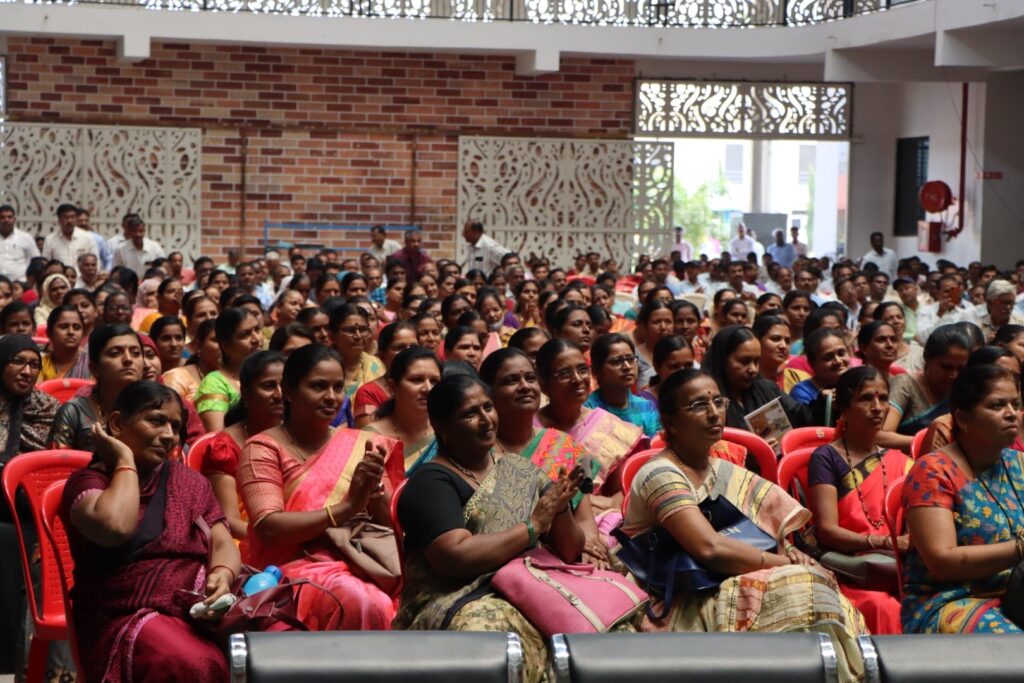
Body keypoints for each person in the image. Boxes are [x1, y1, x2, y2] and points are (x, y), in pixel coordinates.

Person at [619, 368, 866, 681]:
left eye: (718, 402)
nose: (714, 413)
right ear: (670, 422)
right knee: (800, 588)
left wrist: (793, 554)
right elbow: (709, 549)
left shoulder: (724, 469)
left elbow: (765, 533)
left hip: (731, 574)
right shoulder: (659, 473)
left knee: (819, 586)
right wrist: (786, 564)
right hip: (680, 592)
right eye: (698, 405)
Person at [393, 374, 591, 680]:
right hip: (456, 596)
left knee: (603, 616)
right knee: (490, 633)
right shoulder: (430, 482)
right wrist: (533, 525)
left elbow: (570, 551)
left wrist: (559, 506)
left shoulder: (519, 469)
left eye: (488, 407)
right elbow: (454, 557)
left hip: (531, 585)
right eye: (470, 414)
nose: (486, 419)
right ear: (441, 426)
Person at [60, 381, 240, 682]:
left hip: (197, 609)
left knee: (270, 643)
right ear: (117, 424)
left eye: (176, 426)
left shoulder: (189, 482)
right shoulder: (88, 484)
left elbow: (222, 542)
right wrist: (125, 461)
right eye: (156, 420)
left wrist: (222, 575)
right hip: (122, 618)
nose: (169, 435)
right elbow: (116, 526)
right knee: (190, 661)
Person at [237, 344, 401, 630]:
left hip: (364, 560)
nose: (331, 397)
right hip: (287, 571)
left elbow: (390, 526)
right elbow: (268, 527)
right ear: (289, 391)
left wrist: (373, 492)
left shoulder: (360, 443)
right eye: (318, 386)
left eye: (338, 387)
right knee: (362, 600)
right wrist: (347, 508)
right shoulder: (262, 448)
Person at [902, 364, 1024, 633]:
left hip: (1016, 591)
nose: (1011, 413)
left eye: (1015, 404)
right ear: (963, 418)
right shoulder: (933, 471)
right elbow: (943, 562)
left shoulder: (1019, 463)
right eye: (997, 405)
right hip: (951, 601)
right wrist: (1020, 548)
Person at [807, 367, 912, 635]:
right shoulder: (825, 458)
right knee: (883, 607)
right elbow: (827, 532)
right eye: (866, 399)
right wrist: (885, 542)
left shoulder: (900, 461)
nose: (877, 407)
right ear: (844, 408)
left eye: (883, 398)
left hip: (898, 567)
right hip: (849, 569)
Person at [0, 335, 61, 673]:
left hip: (31, 512)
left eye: (34, 365)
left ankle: (13, 659)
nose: (27, 371)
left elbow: (53, 469)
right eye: (17, 362)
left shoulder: (48, 409)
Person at [535, 339, 646, 495]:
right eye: (564, 374)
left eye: (582, 369)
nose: (578, 379)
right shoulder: (531, 430)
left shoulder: (608, 426)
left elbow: (623, 491)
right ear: (543, 384)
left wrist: (606, 503)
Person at [202, 351, 284, 542]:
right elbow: (229, 521)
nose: (279, 394)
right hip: (249, 540)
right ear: (246, 392)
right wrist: (281, 539)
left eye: (285, 386)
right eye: (268, 386)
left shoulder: (298, 435)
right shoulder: (224, 447)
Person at [704, 325, 822, 443]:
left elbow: (804, 418)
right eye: (744, 361)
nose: (753, 369)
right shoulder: (707, 400)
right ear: (722, 359)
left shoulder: (767, 389)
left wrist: (824, 401)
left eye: (756, 362)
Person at [49, 325, 144, 451]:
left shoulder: (156, 410)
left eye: (136, 353)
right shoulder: (74, 412)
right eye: (115, 353)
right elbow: (58, 462)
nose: (128, 359)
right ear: (94, 369)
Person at [881, 324, 971, 450]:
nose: (954, 375)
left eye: (960, 369)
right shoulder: (906, 384)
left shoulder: (962, 391)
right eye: (946, 367)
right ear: (926, 358)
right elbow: (881, 436)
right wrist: (930, 441)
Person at [364, 347, 442, 474]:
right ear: (392, 387)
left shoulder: (446, 433)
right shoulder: (372, 437)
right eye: (417, 380)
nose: (428, 388)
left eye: (434, 381)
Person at [196, 308, 263, 432]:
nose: (256, 339)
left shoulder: (269, 375)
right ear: (225, 346)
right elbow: (217, 436)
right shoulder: (214, 383)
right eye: (245, 335)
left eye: (257, 330)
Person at [585, 333, 660, 438]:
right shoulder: (588, 411)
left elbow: (654, 445)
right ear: (597, 371)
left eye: (630, 359)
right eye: (616, 361)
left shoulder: (646, 407)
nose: (627, 367)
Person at [328, 303, 385, 402]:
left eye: (363, 330)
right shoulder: (323, 366)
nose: (358, 336)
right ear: (332, 336)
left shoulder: (377, 365)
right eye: (350, 330)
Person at [790, 328, 850, 406]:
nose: (838, 361)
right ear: (812, 363)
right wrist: (822, 403)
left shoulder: (859, 382)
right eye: (828, 357)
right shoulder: (802, 392)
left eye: (841, 353)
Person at [164, 319, 219, 403]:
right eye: (216, 340)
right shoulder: (177, 377)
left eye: (228, 340)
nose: (223, 346)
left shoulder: (236, 376)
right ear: (198, 345)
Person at [39, 304, 90, 381]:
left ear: (83, 333)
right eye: (63, 327)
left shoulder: (91, 365)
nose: (71, 332)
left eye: (77, 327)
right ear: (49, 333)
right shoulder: (39, 365)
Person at [634, 300, 675, 388]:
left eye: (668, 322)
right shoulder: (634, 357)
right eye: (657, 322)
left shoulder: (681, 352)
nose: (663, 327)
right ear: (645, 325)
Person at [874, 302, 923, 373]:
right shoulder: (875, 356)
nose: (896, 321)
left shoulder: (919, 353)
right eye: (889, 318)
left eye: (899, 317)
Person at [0, 205, 41, 282]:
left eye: (9, 217)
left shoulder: (25, 238)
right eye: (2, 217)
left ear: (14, 220)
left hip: (20, 283)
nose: (6, 220)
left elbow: (36, 260)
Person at [753, 314, 791, 387]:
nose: (783, 346)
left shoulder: (796, 377)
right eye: (775, 339)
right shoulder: (745, 379)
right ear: (757, 340)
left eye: (787, 341)